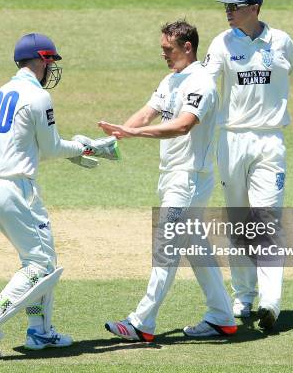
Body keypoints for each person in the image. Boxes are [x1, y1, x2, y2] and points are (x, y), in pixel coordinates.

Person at [0, 32, 119, 358]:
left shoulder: (0, 91)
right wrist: (88, 146)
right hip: (16, 189)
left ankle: (41, 332)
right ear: (41, 60)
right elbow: (49, 147)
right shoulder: (38, 97)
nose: (51, 68)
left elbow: (31, 147)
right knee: (41, 267)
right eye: (50, 61)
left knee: (38, 260)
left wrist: (75, 150)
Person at [99, 20, 237, 341]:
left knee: (166, 250)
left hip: (189, 180)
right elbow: (147, 113)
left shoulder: (202, 83)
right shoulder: (172, 79)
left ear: (187, 47)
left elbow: (182, 126)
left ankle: (141, 323)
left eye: (168, 49)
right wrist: (114, 137)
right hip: (171, 176)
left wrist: (134, 133)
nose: (163, 54)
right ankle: (222, 317)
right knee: (196, 248)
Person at [202, 0, 293, 329]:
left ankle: (270, 301)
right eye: (225, 6)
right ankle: (243, 297)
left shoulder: (282, 42)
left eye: (234, 6)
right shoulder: (221, 43)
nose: (227, 11)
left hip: (270, 141)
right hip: (231, 140)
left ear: (254, 7)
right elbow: (205, 86)